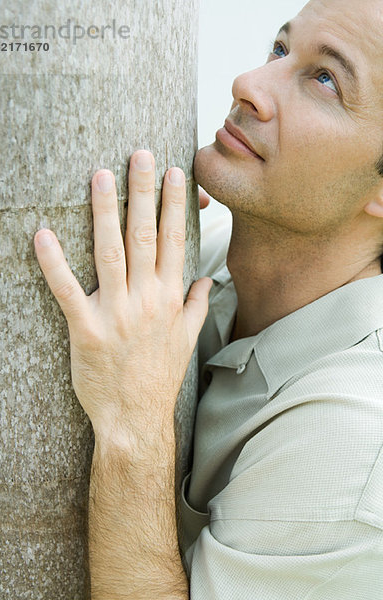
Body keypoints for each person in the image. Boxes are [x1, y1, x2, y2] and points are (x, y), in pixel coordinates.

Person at [34, 0, 383, 597]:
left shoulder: (354, 440)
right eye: (280, 48)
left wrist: (133, 421)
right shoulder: (215, 258)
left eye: (325, 79)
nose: (248, 85)